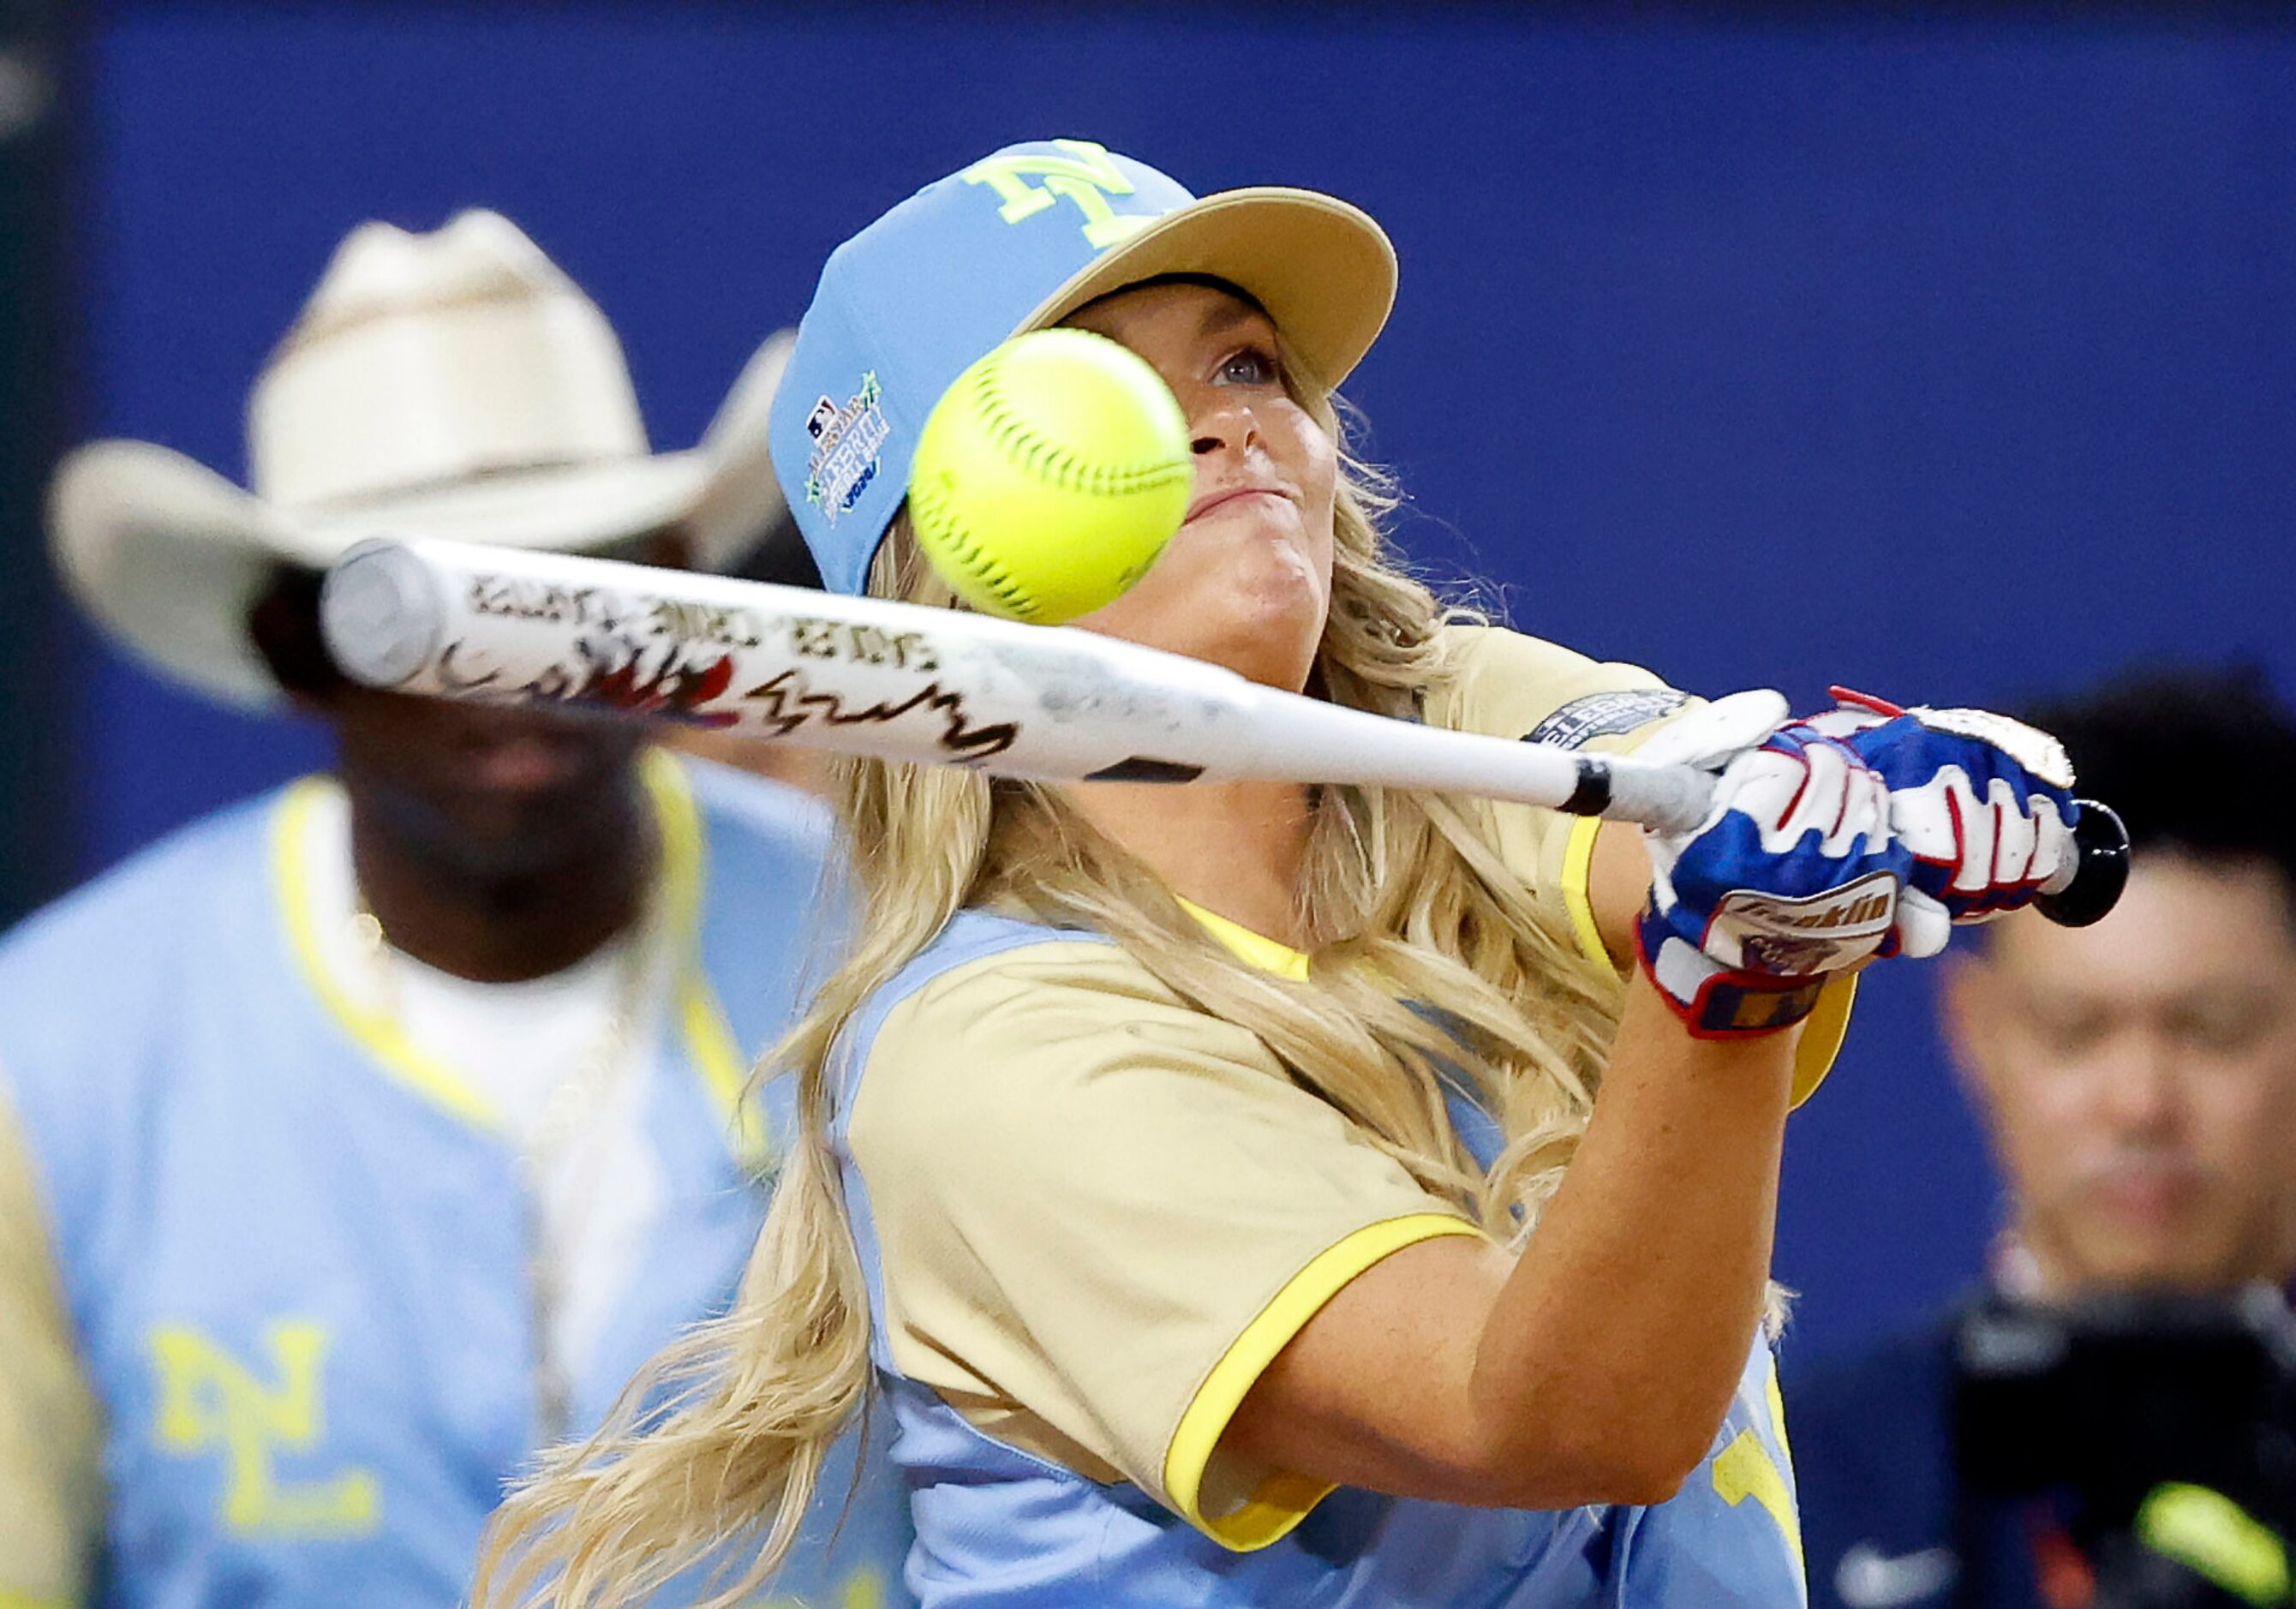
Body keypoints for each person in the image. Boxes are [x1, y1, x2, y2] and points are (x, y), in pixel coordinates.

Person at [475, 138, 2078, 1609]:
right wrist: (1730, 975)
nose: (1227, 416)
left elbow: (1653, 834)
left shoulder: (1448, 707)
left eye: (1247, 360)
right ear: (943, 562)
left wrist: (1841, 789)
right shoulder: (989, 1053)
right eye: (1092, 402)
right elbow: (1559, 1414)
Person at [0, 212, 911, 1606]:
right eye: (417, 600)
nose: (515, 658)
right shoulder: (50, 1057)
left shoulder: (902, 952)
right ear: (292, 643)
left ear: (669, 587)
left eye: (574, 578)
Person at [1794, 667, 2296, 1609]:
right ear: (1973, 1031)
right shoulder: (1797, 1477)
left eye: (2214, 1028)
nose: (2141, 1103)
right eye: (2074, 1029)